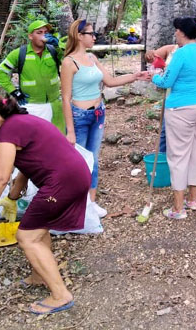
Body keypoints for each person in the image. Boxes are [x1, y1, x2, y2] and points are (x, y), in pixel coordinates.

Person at [0, 92, 90, 315]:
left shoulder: (7, 132)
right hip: (74, 175)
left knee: (26, 236)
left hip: (63, 182)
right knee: (39, 229)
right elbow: (28, 163)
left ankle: (60, 295)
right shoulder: (21, 122)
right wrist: (12, 198)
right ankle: (40, 275)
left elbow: (0, 178)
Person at [61, 19, 151, 216]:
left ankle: (90, 202)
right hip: (80, 116)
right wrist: (70, 131)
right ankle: (77, 203)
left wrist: (135, 76)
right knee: (78, 161)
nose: (94, 37)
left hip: (98, 113)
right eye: (90, 34)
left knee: (93, 159)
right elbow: (65, 98)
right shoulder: (69, 62)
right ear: (78, 35)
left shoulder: (92, 58)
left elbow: (110, 81)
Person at [151, 17, 196, 219]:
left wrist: (154, 74)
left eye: (176, 30)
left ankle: (178, 208)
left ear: (183, 32)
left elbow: (166, 81)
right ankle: (193, 200)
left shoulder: (181, 53)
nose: (175, 34)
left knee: (178, 155)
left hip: (181, 107)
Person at [0, 20, 66, 132]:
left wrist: (58, 45)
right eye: (39, 32)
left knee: (57, 139)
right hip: (32, 106)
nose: (44, 35)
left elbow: (69, 56)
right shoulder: (19, 53)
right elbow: (0, 72)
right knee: (34, 139)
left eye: (46, 32)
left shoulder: (54, 51)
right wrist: (14, 92)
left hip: (54, 105)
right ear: (30, 36)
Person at [145, 44, 178, 153]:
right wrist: (150, 54)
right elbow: (152, 57)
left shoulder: (192, 52)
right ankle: (162, 160)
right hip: (169, 97)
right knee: (164, 132)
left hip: (183, 98)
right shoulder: (172, 49)